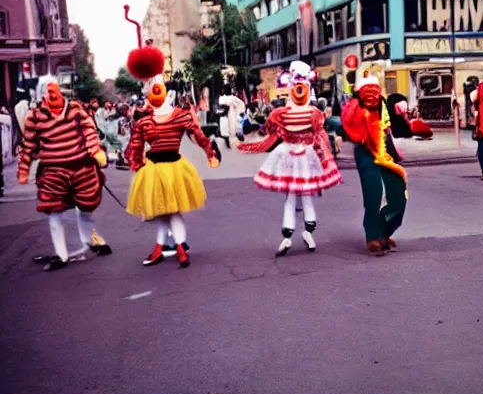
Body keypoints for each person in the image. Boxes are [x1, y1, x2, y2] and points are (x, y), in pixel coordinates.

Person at [237, 77, 342, 257]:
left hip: (288, 154)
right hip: (308, 155)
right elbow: (320, 133)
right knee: (307, 195)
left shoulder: (282, 113)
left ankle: (287, 236)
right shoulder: (314, 113)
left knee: (291, 197)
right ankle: (308, 233)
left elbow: (270, 130)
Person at [17, 75, 112, 272]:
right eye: (46, 89)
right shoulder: (34, 116)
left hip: (82, 169)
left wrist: (96, 151)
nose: (50, 93)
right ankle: (61, 255)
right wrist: (24, 169)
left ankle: (90, 240)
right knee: (54, 212)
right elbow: (29, 145)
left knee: (87, 208)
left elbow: (89, 131)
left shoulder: (76, 109)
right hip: (53, 173)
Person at [125, 77, 221, 268]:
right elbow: (135, 146)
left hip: (172, 167)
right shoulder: (144, 121)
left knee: (170, 212)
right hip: (155, 169)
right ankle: (167, 248)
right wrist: (135, 163)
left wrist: (210, 154)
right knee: (161, 211)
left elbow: (198, 136)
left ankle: (174, 248)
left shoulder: (178, 116)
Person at [342, 76, 410, 256]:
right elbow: (346, 125)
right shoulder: (354, 108)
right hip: (365, 152)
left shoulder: (383, 105)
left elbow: (394, 117)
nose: (372, 93)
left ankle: (385, 232)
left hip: (386, 151)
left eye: (375, 89)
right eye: (367, 89)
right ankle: (373, 237)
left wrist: (399, 106)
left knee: (398, 196)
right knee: (373, 196)